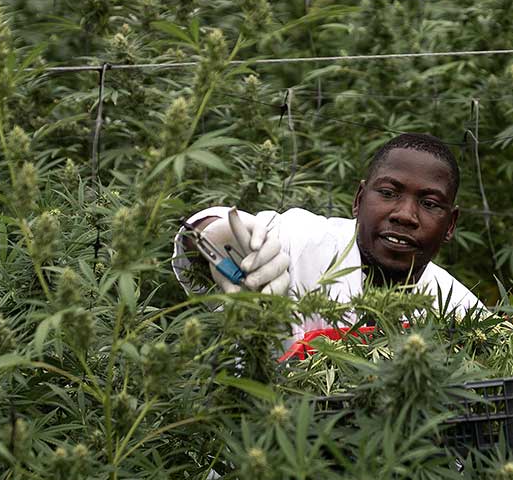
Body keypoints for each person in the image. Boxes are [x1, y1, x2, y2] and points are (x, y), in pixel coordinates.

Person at [173, 132, 482, 340]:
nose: (405, 215)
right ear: (359, 200)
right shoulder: (299, 240)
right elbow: (201, 234)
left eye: (429, 204)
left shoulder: (458, 309)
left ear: (451, 224)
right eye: (388, 193)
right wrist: (212, 233)